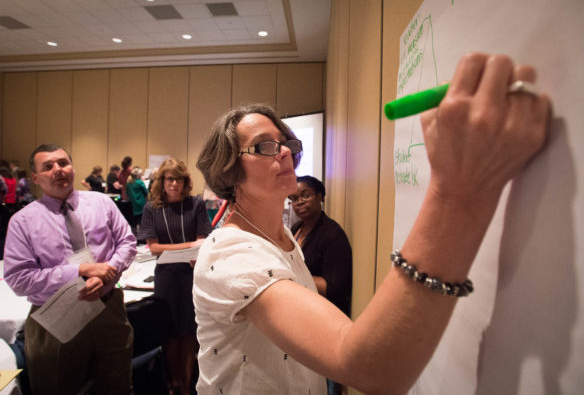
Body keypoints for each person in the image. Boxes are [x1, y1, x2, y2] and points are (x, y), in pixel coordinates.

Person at [193, 53, 550, 394]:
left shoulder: (281, 233)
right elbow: (371, 369)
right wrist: (458, 190)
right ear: (228, 170)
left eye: (284, 141)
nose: (284, 150)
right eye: (263, 146)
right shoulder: (231, 254)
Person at [3, 144, 137, 394]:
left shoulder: (102, 203)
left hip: (109, 308)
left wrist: (108, 270)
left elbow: (127, 243)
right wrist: (79, 271)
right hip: (55, 317)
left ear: (72, 168)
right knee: (56, 387)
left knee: (117, 385)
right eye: (48, 166)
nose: (58, 170)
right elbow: (18, 279)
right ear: (35, 177)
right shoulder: (22, 222)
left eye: (63, 163)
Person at [139, 158, 213, 395]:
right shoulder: (152, 208)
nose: (174, 183)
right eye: (169, 179)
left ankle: (187, 384)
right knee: (169, 333)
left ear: (185, 181)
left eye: (178, 179)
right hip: (167, 278)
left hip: (192, 275)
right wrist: (190, 245)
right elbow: (153, 247)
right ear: (162, 181)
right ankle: (174, 383)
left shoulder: (196, 204)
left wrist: (193, 247)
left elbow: (206, 240)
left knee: (190, 331)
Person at [289, 175, 352, 395]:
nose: (299, 202)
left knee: (328, 384)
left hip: (327, 323)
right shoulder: (297, 228)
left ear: (320, 196)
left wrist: (293, 277)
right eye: (294, 198)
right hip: (305, 317)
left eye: (305, 195)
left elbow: (336, 287)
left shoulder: (333, 235)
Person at [126, 166, 148, 233]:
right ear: (139, 175)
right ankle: (141, 237)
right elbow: (146, 192)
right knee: (141, 222)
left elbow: (127, 193)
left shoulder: (128, 183)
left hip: (132, 204)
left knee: (134, 222)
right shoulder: (140, 182)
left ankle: (134, 235)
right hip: (141, 204)